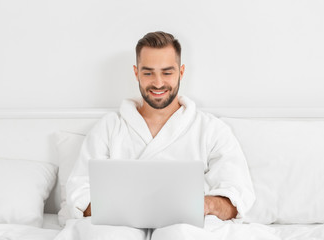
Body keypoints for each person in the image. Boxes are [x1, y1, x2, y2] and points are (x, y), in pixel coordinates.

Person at [66, 31, 255, 239]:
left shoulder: (211, 129)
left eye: (167, 72)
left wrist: (204, 204)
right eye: (148, 73)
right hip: (117, 228)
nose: (158, 83)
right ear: (136, 73)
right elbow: (78, 192)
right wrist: (127, 207)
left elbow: (237, 196)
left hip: (186, 228)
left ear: (181, 72)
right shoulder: (109, 128)